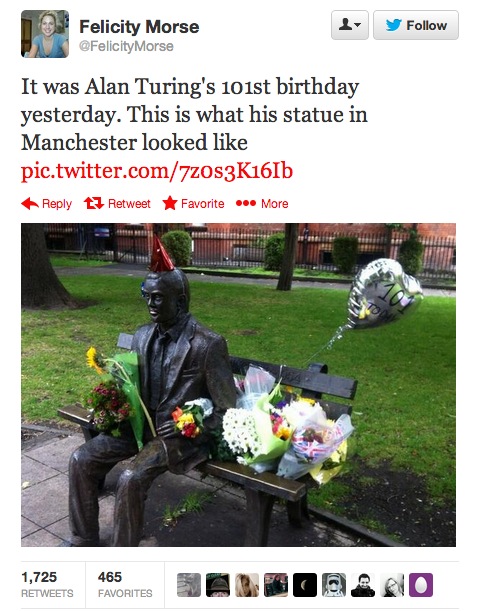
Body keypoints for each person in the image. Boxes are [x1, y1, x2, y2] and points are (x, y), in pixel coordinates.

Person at [66, 239, 237, 546]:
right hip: (137, 427)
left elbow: (228, 411)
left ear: (181, 301)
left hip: (175, 438)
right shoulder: (143, 335)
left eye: (158, 298)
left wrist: (193, 422)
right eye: (146, 296)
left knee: (130, 478)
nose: (150, 304)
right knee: (81, 458)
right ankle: (83, 539)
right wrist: (113, 403)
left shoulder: (207, 344)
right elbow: (131, 384)